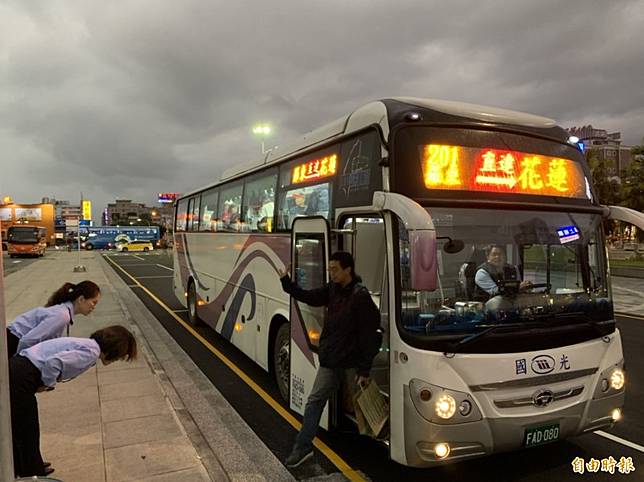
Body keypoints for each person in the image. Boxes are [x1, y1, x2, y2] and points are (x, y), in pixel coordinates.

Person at [279, 251, 382, 468]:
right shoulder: (333, 289)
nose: (331, 273)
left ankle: (377, 453)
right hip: (332, 360)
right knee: (315, 401)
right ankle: (303, 447)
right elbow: (311, 297)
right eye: (330, 269)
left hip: (352, 363)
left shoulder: (360, 297)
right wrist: (286, 283)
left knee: (365, 407)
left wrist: (364, 370)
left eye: (335, 269)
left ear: (348, 270)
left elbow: (370, 336)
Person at [9, 325, 138, 478]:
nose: (117, 360)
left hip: (20, 369)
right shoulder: (91, 353)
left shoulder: (87, 345)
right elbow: (54, 363)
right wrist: (47, 384)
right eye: (120, 356)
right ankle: (31, 472)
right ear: (114, 350)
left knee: (24, 426)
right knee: (26, 428)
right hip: (23, 377)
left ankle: (28, 464)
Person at [6, 281, 101, 359]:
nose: (94, 307)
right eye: (94, 302)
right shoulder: (62, 315)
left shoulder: (64, 311)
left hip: (13, 340)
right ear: (81, 299)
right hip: (12, 341)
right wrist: (17, 361)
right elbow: (27, 340)